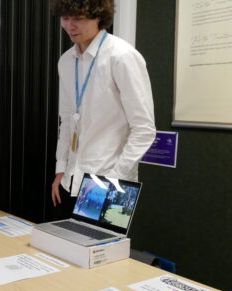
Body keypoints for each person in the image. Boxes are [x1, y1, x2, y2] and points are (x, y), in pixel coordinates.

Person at [50, 0, 155, 220]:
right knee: (64, 249)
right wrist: (61, 169)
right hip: (72, 180)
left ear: (98, 16)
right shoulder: (66, 61)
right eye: (65, 18)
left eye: (78, 18)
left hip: (111, 181)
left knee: (103, 252)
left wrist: (113, 181)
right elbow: (67, 120)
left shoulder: (122, 56)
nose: (70, 26)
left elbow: (144, 129)